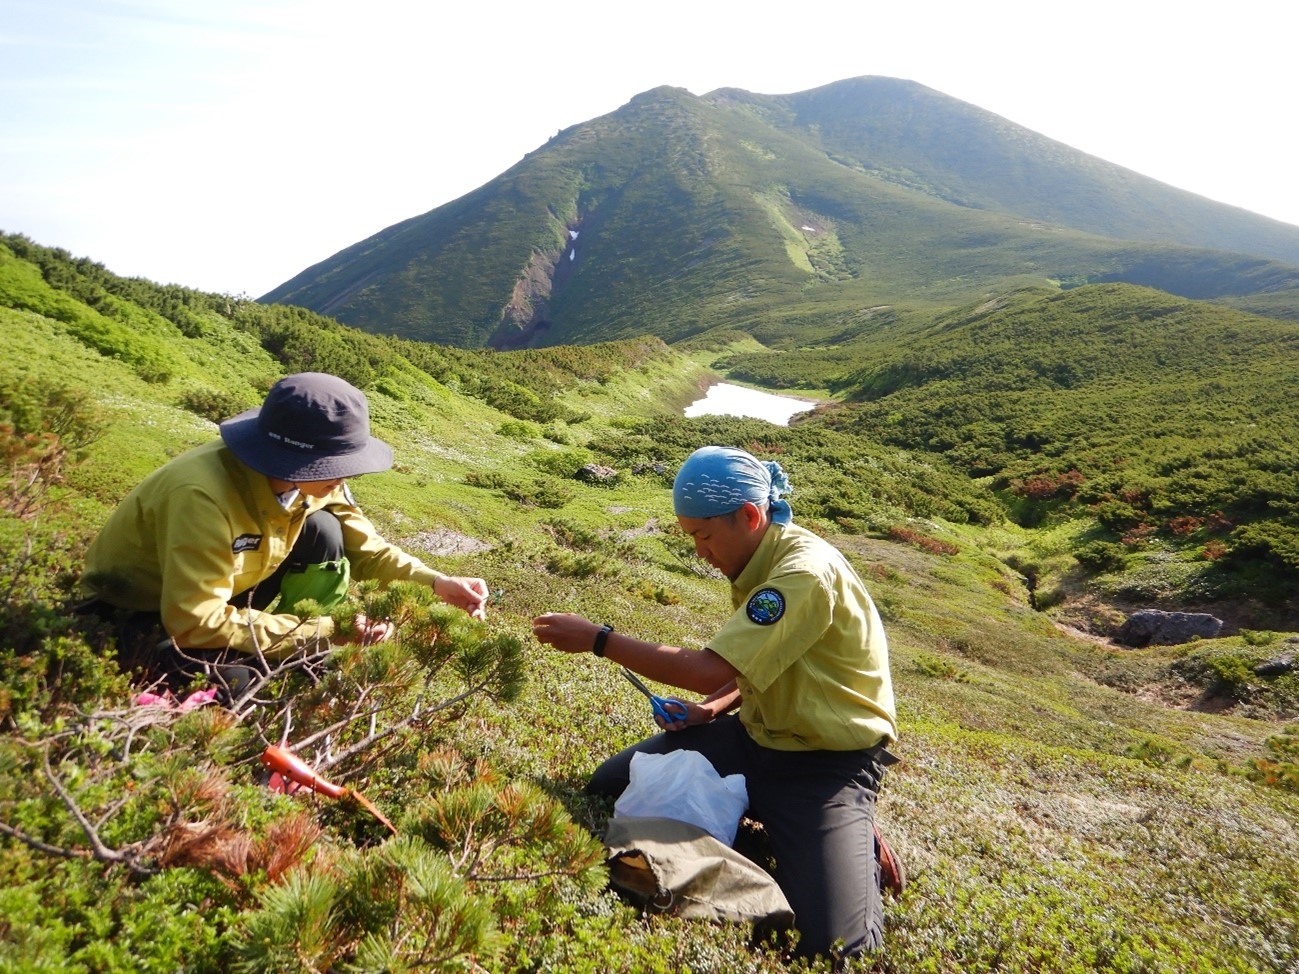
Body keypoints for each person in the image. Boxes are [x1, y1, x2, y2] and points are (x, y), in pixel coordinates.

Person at [532, 445, 902, 964]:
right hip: (753, 736)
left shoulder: (800, 575)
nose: (700, 552)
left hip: (824, 764)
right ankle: (773, 815)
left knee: (838, 949)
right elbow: (754, 665)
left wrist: (599, 639)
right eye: (691, 537)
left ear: (749, 516)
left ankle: (849, 831)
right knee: (609, 783)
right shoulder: (758, 555)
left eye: (704, 536)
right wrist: (709, 711)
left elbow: (707, 668)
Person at [79, 371, 489, 688]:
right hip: (144, 612)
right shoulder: (201, 496)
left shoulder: (312, 481)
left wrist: (436, 583)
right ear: (294, 462)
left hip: (225, 592)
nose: (345, 476)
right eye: (334, 466)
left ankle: (285, 647)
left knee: (324, 529)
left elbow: (368, 548)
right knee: (242, 687)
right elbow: (194, 621)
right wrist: (328, 631)